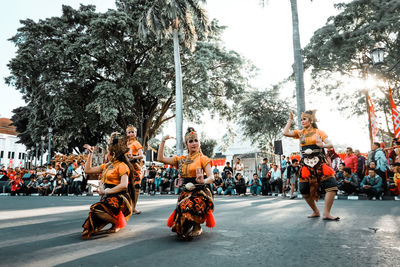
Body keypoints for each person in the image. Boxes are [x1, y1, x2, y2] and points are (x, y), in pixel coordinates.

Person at [158, 127, 215, 240]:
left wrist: (203, 181)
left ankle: (197, 226)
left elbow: (211, 177)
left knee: (188, 208)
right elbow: (160, 158)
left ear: (199, 142)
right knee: (179, 228)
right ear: (186, 144)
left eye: (196, 140)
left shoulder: (203, 158)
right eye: (191, 141)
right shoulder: (181, 159)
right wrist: (163, 141)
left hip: (199, 191)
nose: (194, 143)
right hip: (185, 192)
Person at [283, 110, 339, 221]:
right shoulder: (300, 133)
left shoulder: (319, 132)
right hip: (306, 165)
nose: (302, 121)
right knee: (304, 190)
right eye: (301, 119)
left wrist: (321, 144)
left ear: (311, 120)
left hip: (320, 163)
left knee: (331, 186)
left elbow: (330, 144)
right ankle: (315, 211)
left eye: (304, 119)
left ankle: (326, 213)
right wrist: (290, 120)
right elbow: (285, 132)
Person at [81, 133, 135, 240]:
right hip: (108, 196)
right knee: (90, 225)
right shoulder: (107, 165)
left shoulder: (122, 166)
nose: (106, 154)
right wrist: (90, 154)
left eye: (108, 152)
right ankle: (116, 221)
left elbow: (124, 185)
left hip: (120, 198)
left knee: (97, 209)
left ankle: (118, 222)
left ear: (113, 154)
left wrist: (106, 191)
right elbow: (88, 170)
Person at [126, 124, 144, 214]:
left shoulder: (136, 143)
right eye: (129, 132)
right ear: (126, 134)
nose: (131, 134)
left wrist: (133, 157)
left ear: (135, 133)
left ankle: (134, 207)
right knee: (126, 187)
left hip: (134, 166)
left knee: (135, 187)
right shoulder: (125, 144)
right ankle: (126, 207)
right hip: (125, 165)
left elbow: (141, 155)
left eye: (132, 132)